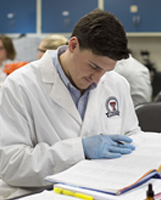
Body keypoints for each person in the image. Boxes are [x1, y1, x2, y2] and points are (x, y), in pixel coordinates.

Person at [0, 9, 141, 191]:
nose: (98, 79)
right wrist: (79, 150)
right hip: (43, 193)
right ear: (73, 45)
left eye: (107, 70)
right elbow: (11, 165)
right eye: (94, 66)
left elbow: (132, 137)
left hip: (104, 190)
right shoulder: (20, 85)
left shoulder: (117, 84)